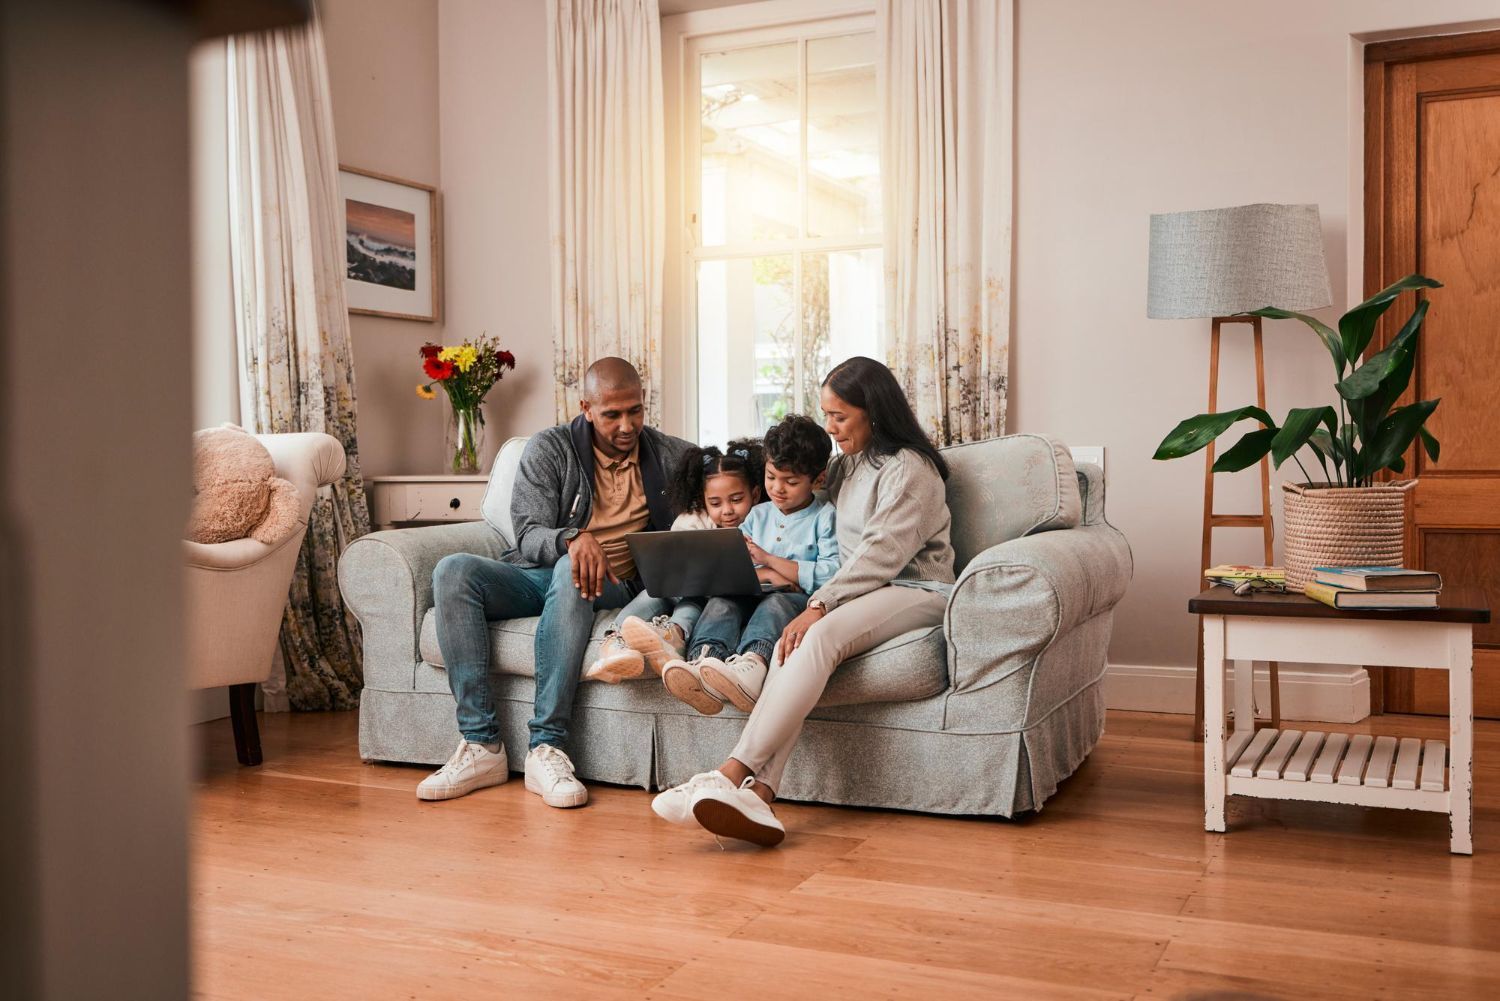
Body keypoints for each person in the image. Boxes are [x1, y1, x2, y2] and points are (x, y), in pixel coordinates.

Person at [651, 357, 955, 846]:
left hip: (915, 588)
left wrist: (820, 604)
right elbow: (790, 486)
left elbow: (881, 554)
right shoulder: (848, 464)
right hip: (864, 590)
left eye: (839, 416)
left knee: (817, 635)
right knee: (788, 646)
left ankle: (728, 774)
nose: (831, 427)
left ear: (873, 410)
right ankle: (761, 798)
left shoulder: (911, 471)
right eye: (826, 415)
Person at [416, 357, 693, 806]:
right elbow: (526, 535)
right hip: (539, 573)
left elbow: (724, 497)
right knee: (453, 571)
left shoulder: (672, 456)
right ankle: (482, 744)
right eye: (612, 414)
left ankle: (548, 745)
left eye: (636, 411)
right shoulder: (551, 448)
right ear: (586, 407)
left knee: (572, 570)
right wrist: (572, 537)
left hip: (617, 584)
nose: (627, 425)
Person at [660, 414, 839, 716]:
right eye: (771, 477)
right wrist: (771, 573)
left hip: (792, 598)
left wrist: (769, 561)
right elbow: (738, 565)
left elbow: (830, 574)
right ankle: (704, 661)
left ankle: (752, 665)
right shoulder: (757, 516)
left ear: (818, 480)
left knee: (775, 605)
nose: (778, 488)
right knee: (722, 601)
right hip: (754, 588)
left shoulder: (825, 516)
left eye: (791, 481)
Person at [583, 440, 763, 683]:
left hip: (721, 599)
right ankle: (616, 641)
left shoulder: (763, 522)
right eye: (716, 503)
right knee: (658, 593)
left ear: (754, 493)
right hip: (687, 590)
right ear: (703, 499)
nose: (727, 510)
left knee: (692, 604)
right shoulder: (692, 520)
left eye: (736, 499)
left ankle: (672, 636)